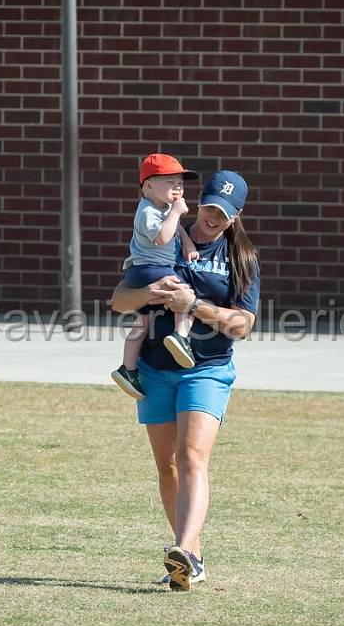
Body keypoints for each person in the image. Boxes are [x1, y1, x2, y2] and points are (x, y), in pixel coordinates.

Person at [110, 170, 260, 591]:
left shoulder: (241, 257)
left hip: (207, 368)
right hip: (156, 369)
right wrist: (153, 295)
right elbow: (120, 299)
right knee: (168, 466)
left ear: (237, 215)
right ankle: (191, 554)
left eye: (224, 213)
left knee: (191, 455)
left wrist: (195, 305)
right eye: (210, 207)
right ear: (201, 201)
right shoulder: (168, 235)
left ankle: (185, 554)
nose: (214, 217)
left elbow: (243, 325)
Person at [110, 153, 202, 400]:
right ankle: (181, 337)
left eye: (180, 183)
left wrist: (187, 242)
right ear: (148, 186)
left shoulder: (161, 208)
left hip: (142, 270)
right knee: (187, 297)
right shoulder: (148, 212)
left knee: (143, 322)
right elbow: (161, 237)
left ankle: (128, 370)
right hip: (152, 269)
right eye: (169, 182)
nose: (178, 187)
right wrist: (176, 212)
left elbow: (176, 230)